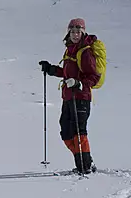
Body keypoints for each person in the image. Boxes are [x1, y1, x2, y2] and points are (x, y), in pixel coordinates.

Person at [39, 18, 99, 174]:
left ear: (83, 32)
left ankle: (84, 167)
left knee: (79, 132)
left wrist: (79, 83)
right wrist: (51, 69)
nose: (75, 34)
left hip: (81, 97)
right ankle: (86, 162)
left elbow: (94, 77)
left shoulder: (85, 52)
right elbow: (67, 73)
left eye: (78, 31)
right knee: (66, 132)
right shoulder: (70, 49)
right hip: (68, 96)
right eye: (72, 31)